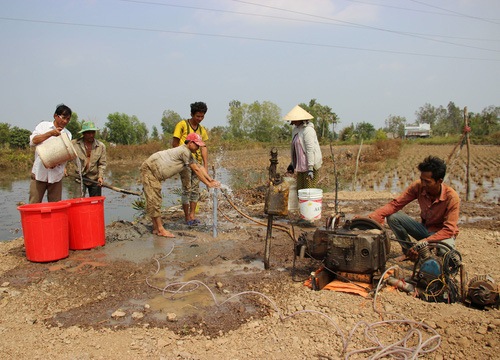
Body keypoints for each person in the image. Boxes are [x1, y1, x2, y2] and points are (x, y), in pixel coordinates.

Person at [367, 156, 460, 261]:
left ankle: (422, 251)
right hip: (426, 229)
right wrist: (373, 216)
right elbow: (396, 204)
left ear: (439, 181)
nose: (423, 184)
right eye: (422, 179)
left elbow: (449, 230)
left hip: (442, 235)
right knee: (393, 217)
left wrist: (424, 242)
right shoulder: (418, 186)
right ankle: (409, 252)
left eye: (427, 182)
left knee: (446, 254)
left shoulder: (451, 197)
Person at [141, 133, 220, 238]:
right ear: (190, 143)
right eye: (197, 145)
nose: (198, 148)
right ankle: (160, 230)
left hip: (154, 172)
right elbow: (195, 169)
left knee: (155, 200)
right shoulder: (184, 151)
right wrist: (208, 184)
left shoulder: (187, 153)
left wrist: (210, 179)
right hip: (150, 170)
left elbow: (199, 167)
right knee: (154, 200)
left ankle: (156, 228)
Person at [172, 102, 209, 225]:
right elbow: (175, 143)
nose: (199, 119)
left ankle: (193, 215)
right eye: (197, 116)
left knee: (195, 190)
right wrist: (178, 160)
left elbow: (204, 148)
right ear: (191, 114)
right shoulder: (182, 125)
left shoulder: (202, 130)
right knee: (186, 189)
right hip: (185, 162)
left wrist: (205, 165)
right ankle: (187, 216)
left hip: (196, 162)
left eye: (202, 116)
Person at [29, 104, 73, 203]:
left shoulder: (68, 134)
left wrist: (56, 163)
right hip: (40, 173)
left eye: (68, 119)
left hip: (56, 175)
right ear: (55, 116)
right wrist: (50, 133)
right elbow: (33, 141)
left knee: (55, 205)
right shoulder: (43, 126)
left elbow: (66, 153)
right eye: (63, 118)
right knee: (34, 204)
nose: (65, 121)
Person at [284, 105, 323, 191]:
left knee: (309, 191)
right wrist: (292, 163)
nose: (292, 121)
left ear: (300, 119)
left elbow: (310, 150)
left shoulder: (308, 130)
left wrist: (310, 169)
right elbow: (296, 150)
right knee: (300, 192)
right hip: (300, 166)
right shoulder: (295, 131)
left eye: (294, 119)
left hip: (310, 165)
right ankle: (302, 205)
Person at [67, 121, 107, 197]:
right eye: (88, 133)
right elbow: (65, 157)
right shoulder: (74, 144)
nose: (91, 135)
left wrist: (100, 177)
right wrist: (64, 168)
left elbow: (102, 164)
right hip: (79, 177)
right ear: (83, 133)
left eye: (93, 132)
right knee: (78, 202)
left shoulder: (101, 146)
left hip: (94, 178)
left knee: (96, 202)